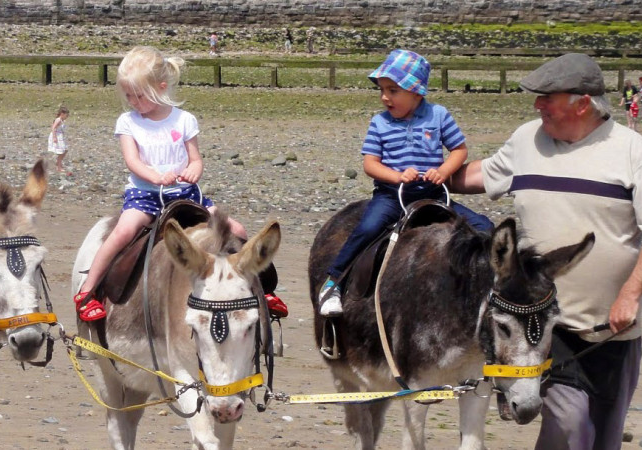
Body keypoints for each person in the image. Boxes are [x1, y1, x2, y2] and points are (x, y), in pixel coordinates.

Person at [450, 53, 642, 450]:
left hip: (613, 330)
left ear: (582, 103)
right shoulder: (527, 139)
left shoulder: (633, 151)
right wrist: (424, 172)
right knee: (570, 427)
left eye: (546, 97)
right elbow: (476, 175)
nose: (537, 105)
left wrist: (630, 295)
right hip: (541, 327)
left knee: (602, 439)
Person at [72, 46, 287, 322]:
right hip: (145, 195)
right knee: (123, 232)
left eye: (139, 95)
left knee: (236, 229)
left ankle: (262, 288)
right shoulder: (128, 122)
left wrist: (193, 171)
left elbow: (195, 159)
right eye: (128, 96)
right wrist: (154, 176)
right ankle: (87, 291)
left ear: (160, 88)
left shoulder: (184, 120)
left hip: (185, 195)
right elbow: (132, 161)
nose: (133, 102)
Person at [315, 49, 493, 317]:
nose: (385, 97)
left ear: (416, 91)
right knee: (368, 228)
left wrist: (443, 171)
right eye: (382, 90)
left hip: (433, 193)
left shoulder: (439, 115)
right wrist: (396, 176)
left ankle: (490, 284)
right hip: (392, 195)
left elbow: (459, 150)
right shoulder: (379, 123)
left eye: (393, 90)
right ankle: (333, 283)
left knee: (483, 226)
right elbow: (370, 164)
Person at [47, 105, 71, 173]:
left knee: (65, 150)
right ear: (62, 114)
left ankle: (58, 163)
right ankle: (59, 167)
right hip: (57, 136)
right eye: (66, 115)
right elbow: (53, 127)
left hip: (61, 136)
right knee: (61, 151)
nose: (67, 117)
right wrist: (54, 137)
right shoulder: (58, 120)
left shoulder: (62, 120)